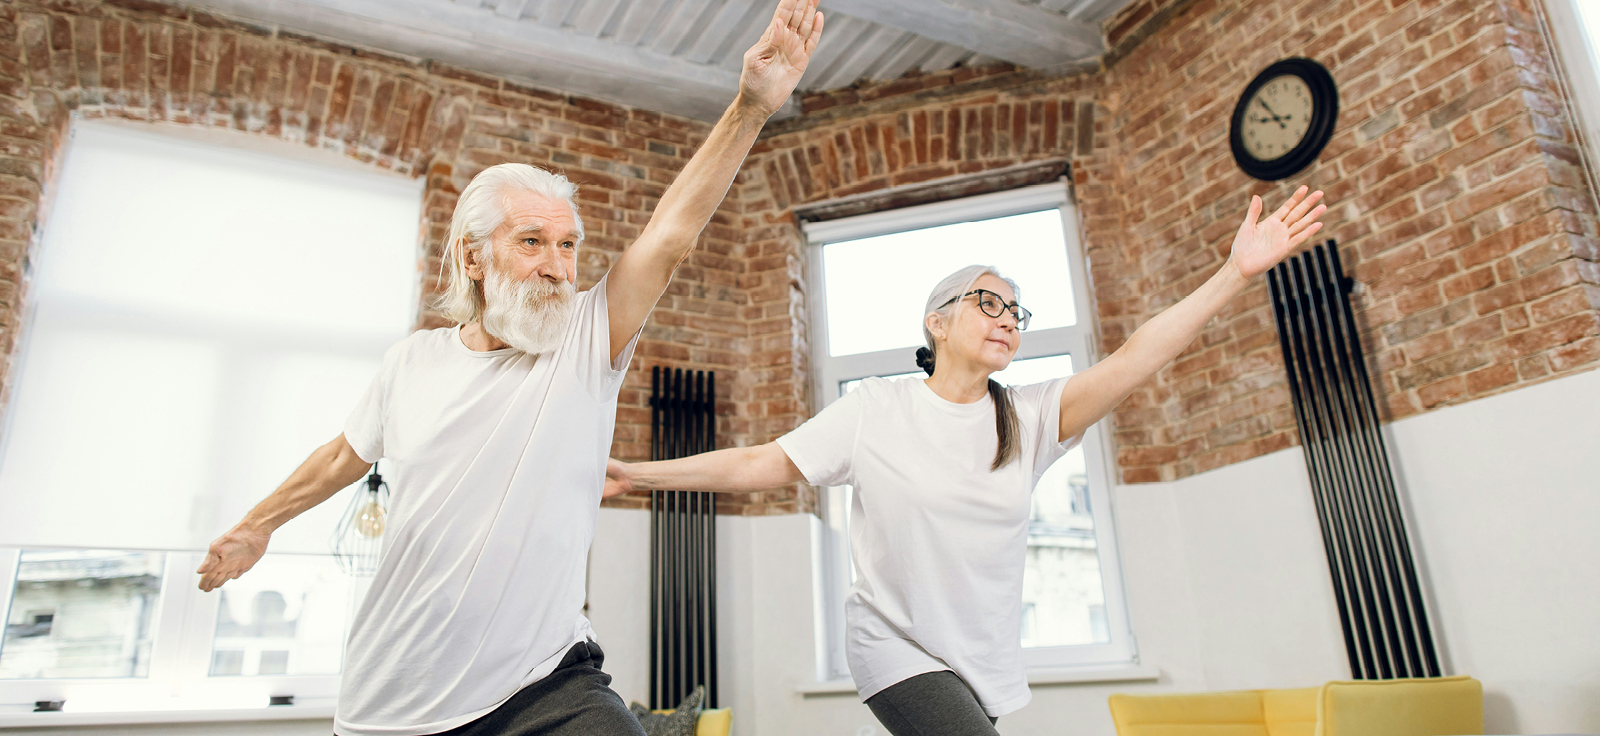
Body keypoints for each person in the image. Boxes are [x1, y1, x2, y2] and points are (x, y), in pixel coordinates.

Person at [193, 2, 824, 734]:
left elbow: (671, 235)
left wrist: (750, 107)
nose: (557, 267)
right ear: (473, 257)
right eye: (532, 242)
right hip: (396, 694)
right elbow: (342, 454)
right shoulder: (413, 362)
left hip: (545, 683)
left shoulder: (588, 341)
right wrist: (255, 525)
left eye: (567, 245)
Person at [604, 187, 1328, 735]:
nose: (1008, 319)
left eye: (1017, 311)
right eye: (989, 302)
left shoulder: (1032, 417)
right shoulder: (877, 410)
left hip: (980, 661)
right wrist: (637, 474)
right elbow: (762, 464)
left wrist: (1237, 272)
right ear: (938, 321)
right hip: (893, 646)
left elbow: (1139, 355)